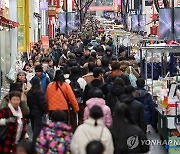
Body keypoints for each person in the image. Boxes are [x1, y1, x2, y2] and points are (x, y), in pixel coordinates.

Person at [27, 76, 47, 145]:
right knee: (37, 129)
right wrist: (46, 110)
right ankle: (35, 143)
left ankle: (34, 142)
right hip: (38, 113)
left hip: (31, 112)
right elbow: (42, 103)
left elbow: (28, 102)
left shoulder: (30, 92)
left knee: (34, 128)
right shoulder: (39, 92)